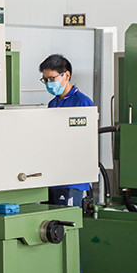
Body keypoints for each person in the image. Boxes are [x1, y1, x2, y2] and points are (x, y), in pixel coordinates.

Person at [39, 54, 94, 207]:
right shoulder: (53, 104)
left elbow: (85, 141)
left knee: (66, 218)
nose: (49, 84)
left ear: (66, 75)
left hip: (72, 179)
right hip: (53, 176)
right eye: (45, 80)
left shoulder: (82, 103)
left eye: (52, 79)